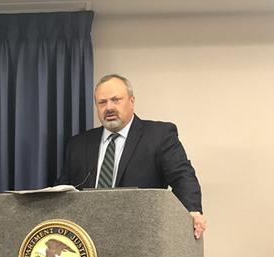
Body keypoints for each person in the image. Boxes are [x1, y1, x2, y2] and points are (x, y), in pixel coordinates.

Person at [57, 74, 207, 239]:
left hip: (140, 236)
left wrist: (191, 212)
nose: (109, 107)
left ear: (132, 101)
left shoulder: (159, 135)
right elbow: (62, 191)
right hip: (87, 238)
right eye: (102, 102)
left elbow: (182, 177)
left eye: (116, 100)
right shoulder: (78, 144)